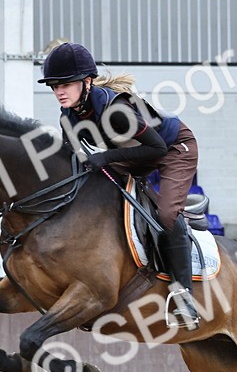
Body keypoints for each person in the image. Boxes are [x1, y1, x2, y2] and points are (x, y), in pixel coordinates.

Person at [38, 41, 200, 330]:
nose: (58, 91)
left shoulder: (116, 111)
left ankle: (184, 296)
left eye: (65, 84)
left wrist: (107, 157)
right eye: (53, 85)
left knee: (163, 216)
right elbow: (74, 163)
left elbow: (157, 149)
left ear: (87, 82)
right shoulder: (69, 117)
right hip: (135, 151)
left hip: (174, 148)